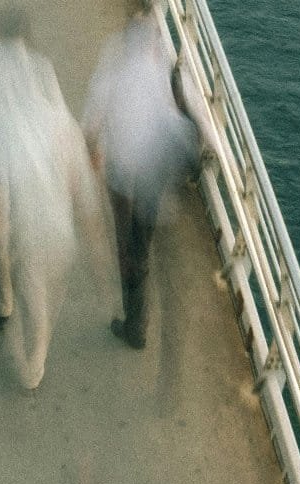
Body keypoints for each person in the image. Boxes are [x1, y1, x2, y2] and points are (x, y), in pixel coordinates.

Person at [0, 6, 94, 390]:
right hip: (32, 169)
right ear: (27, 30)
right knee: (31, 263)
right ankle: (35, 362)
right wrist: (66, 176)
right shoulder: (43, 67)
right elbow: (61, 121)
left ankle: (0, 304)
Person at [82, 0, 201, 350]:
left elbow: (93, 120)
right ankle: (137, 317)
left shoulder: (114, 64)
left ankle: (135, 321)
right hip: (154, 169)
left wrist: (92, 154)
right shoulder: (160, 62)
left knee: (127, 247)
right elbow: (174, 107)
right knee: (141, 246)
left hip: (123, 169)